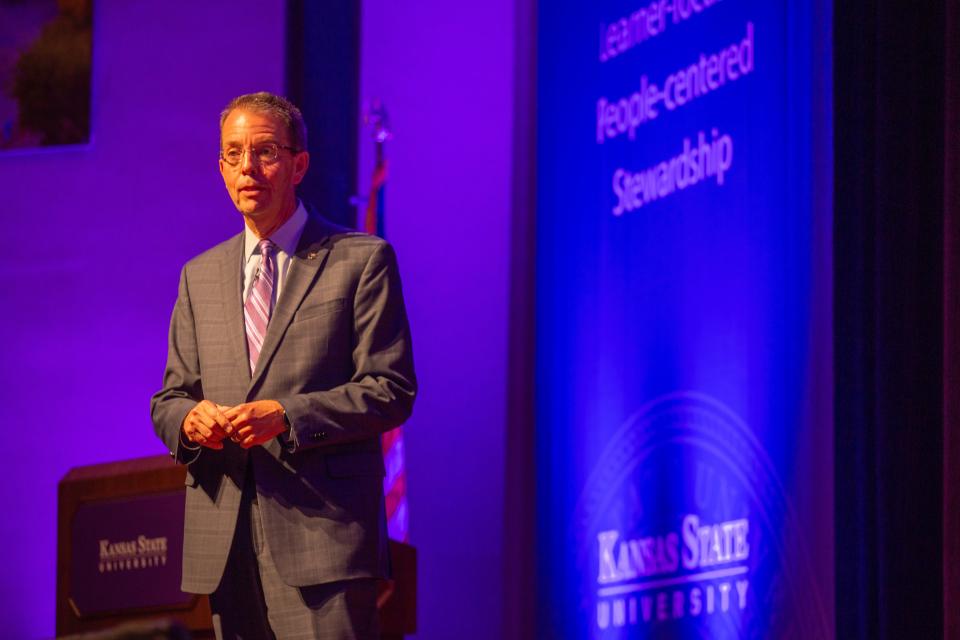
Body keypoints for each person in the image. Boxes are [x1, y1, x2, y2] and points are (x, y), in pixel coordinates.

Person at [151, 91, 416, 639]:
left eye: (265, 151)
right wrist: (189, 421)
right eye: (233, 154)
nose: (247, 167)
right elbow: (170, 398)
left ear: (299, 164)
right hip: (226, 543)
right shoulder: (197, 276)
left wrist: (287, 416)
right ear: (221, 167)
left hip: (326, 545)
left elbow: (391, 388)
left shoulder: (360, 260)